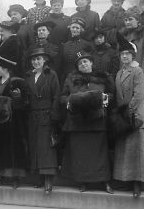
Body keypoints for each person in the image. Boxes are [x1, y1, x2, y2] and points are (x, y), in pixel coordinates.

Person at [113, 36, 144, 198]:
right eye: (122, 55)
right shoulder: (120, 72)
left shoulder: (138, 71)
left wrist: (128, 111)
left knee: (139, 151)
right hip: (125, 117)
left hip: (136, 116)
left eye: (128, 54)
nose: (125, 57)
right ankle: (127, 180)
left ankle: (138, 184)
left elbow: (138, 94)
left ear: (133, 56)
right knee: (127, 152)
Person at [61, 51, 114, 194]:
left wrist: (105, 98)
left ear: (91, 63)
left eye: (85, 61)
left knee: (100, 153)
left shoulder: (103, 77)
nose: (83, 64)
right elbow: (63, 96)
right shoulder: (71, 79)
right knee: (80, 154)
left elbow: (112, 93)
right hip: (77, 121)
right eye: (80, 63)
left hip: (97, 121)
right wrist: (69, 102)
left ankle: (105, 181)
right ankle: (82, 181)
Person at [0, 54, 28, 189]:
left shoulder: (17, 82)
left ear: (6, 69)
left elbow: (26, 102)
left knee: (13, 148)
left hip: (13, 122)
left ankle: (15, 178)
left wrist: (17, 99)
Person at [24, 47, 60, 194]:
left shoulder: (51, 74)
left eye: (39, 59)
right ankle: (40, 175)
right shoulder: (28, 76)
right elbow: (26, 96)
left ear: (45, 60)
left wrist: (54, 115)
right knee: (36, 146)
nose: (36, 62)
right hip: (33, 115)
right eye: (33, 59)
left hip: (47, 114)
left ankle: (48, 179)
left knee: (47, 147)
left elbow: (57, 96)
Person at [120, 6, 144, 131]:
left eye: (130, 19)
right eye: (125, 20)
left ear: (138, 21)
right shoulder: (122, 36)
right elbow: (120, 57)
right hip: (126, 77)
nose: (127, 22)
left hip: (141, 77)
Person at [59, 17, 93, 88]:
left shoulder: (86, 45)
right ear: (70, 28)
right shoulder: (64, 45)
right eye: (73, 27)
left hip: (80, 77)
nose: (74, 29)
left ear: (81, 30)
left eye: (77, 28)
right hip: (66, 77)